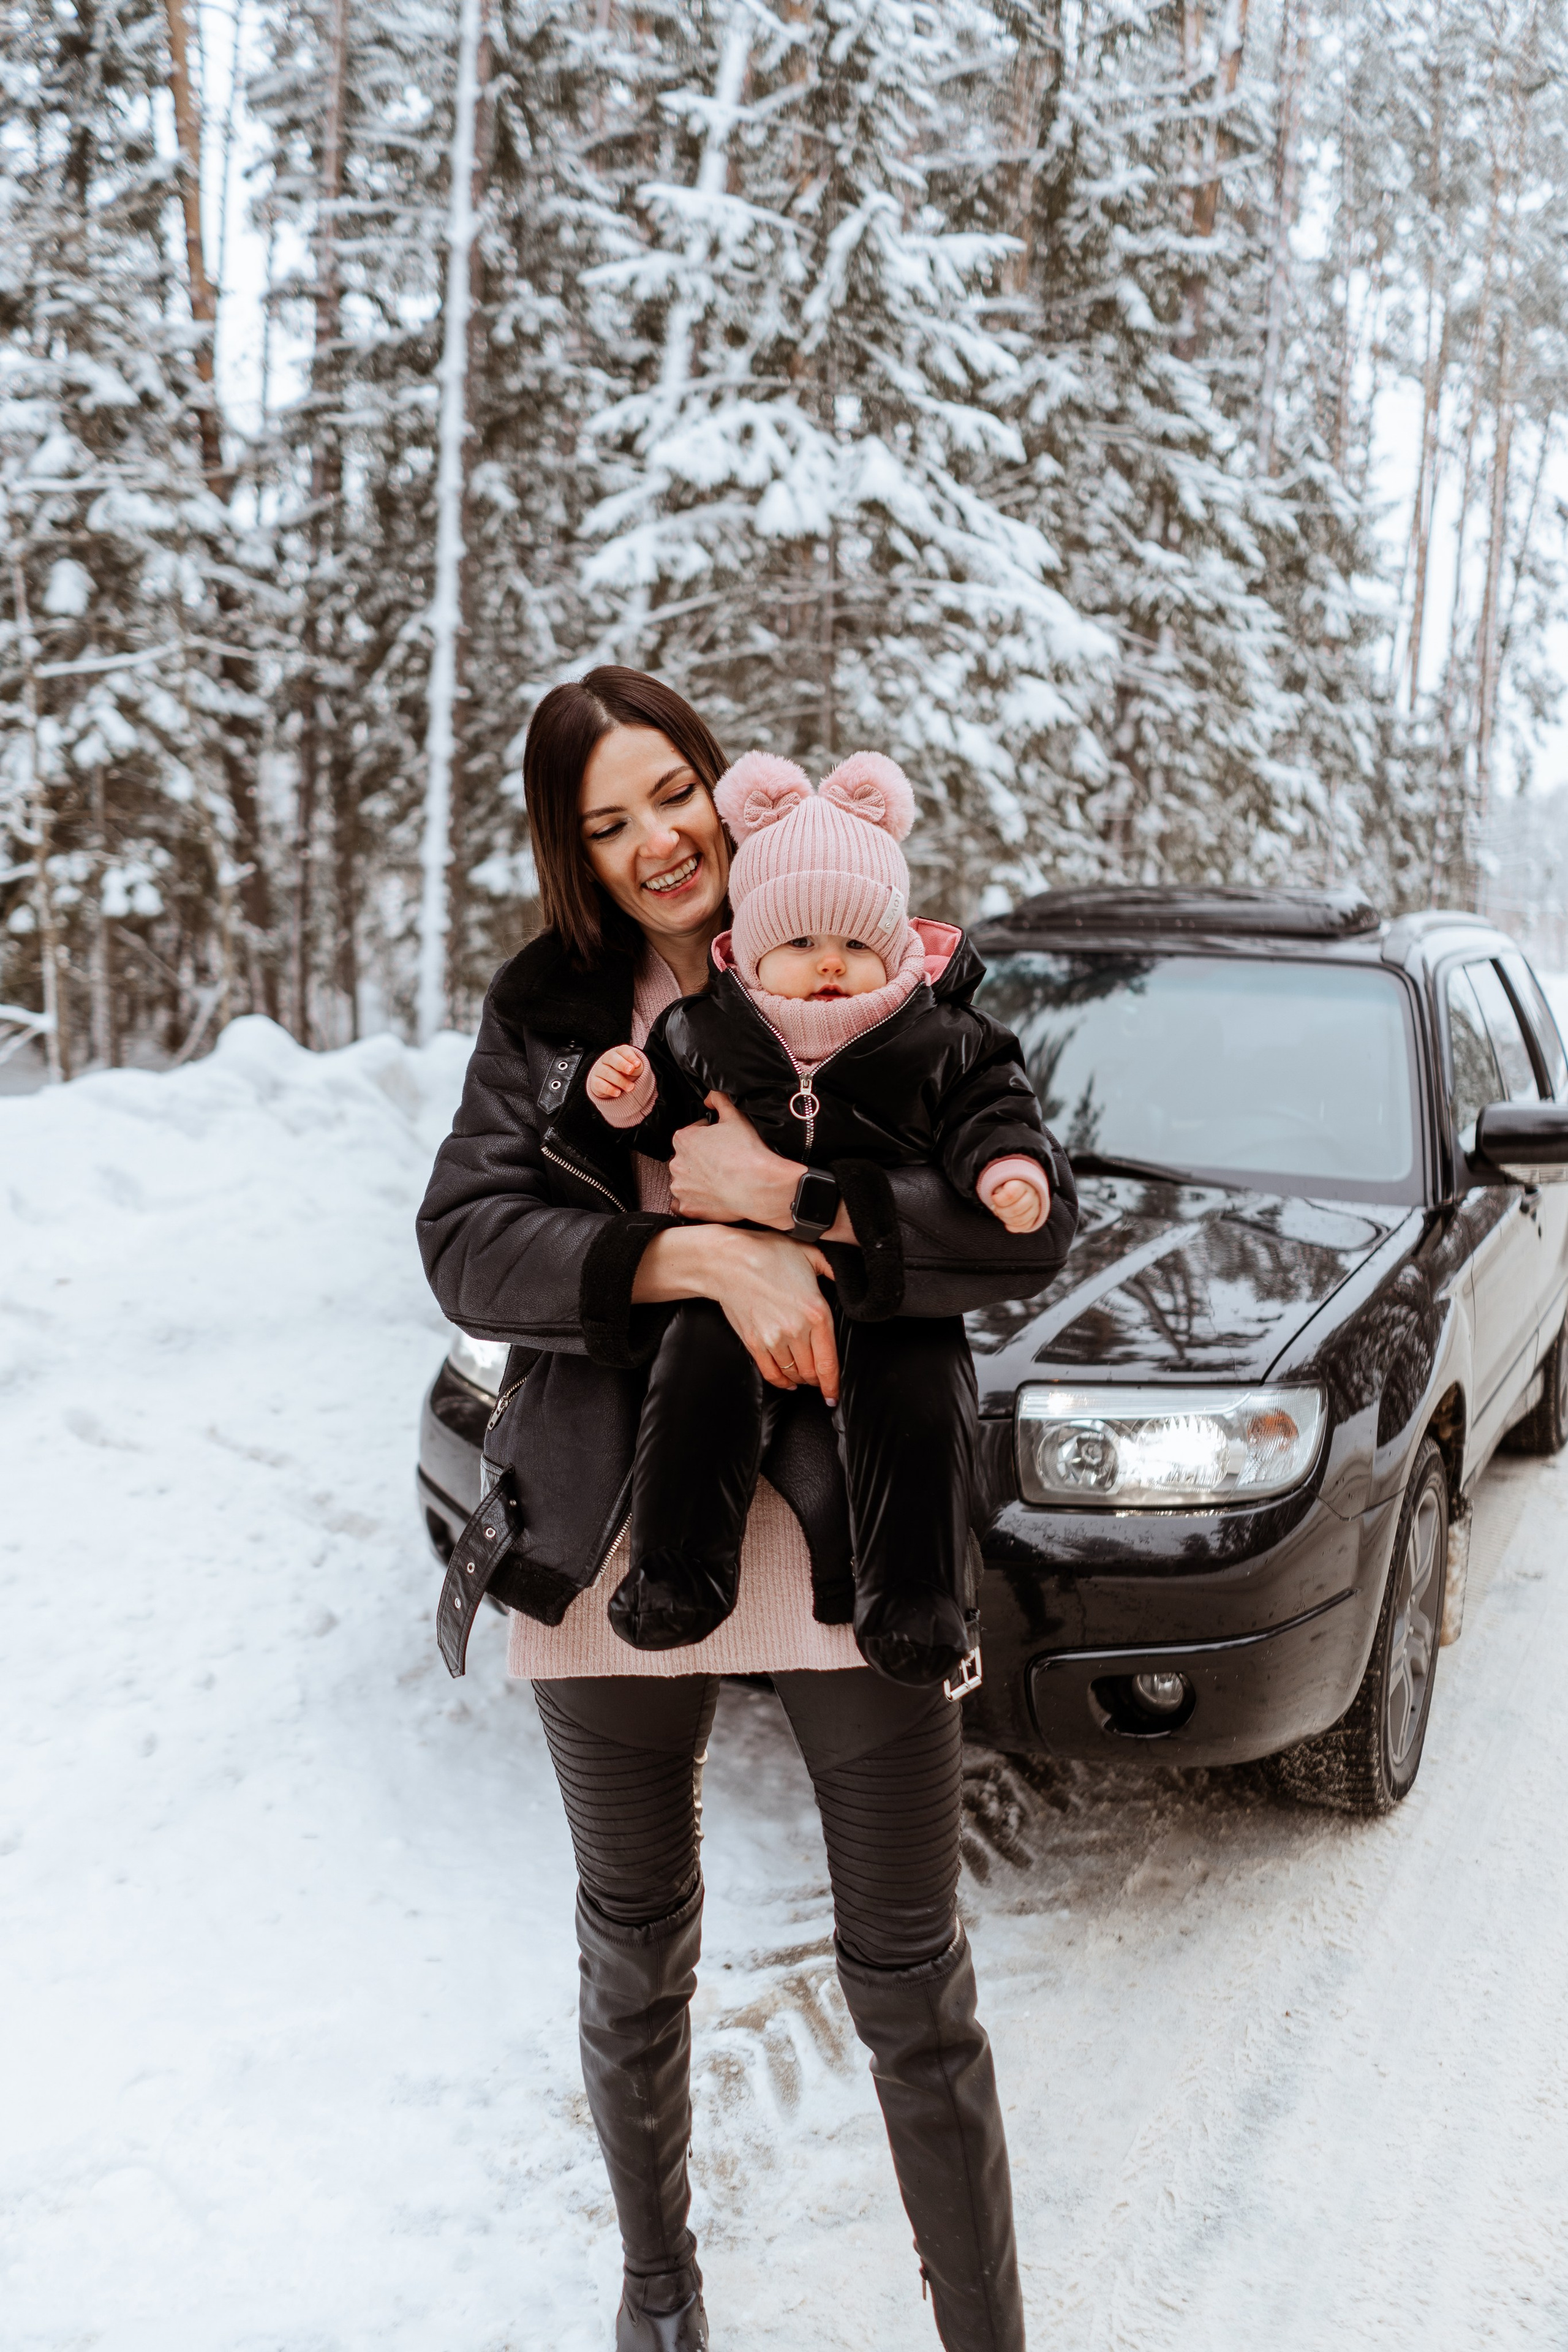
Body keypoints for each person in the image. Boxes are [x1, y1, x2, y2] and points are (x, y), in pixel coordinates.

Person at [417, 667, 1077, 2352]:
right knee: (636, 1952)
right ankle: (660, 2306)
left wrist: (787, 1205)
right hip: (610, 1534)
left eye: (669, 793)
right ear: (572, 855)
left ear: (735, 787)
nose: (655, 841)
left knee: (907, 1976)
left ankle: (983, 2330)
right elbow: (466, 1239)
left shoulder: (884, 965)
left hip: (861, 1535)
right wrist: (682, 1252)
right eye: (605, 822)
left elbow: (1013, 1228)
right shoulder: (551, 1011)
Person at [578, 747, 1054, 1679]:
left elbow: (991, 1107)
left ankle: (913, 1601)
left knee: (916, 1411)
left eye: (853, 945)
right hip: (740, 1280)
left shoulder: (940, 1037)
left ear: (898, 948)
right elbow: (676, 1122)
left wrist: (1006, 1167)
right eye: (799, 945)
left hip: (888, 1285)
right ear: (754, 948)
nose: (828, 966)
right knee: (694, 1377)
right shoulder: (710, 1026)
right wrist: (629, 1098)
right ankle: (679, 1571)